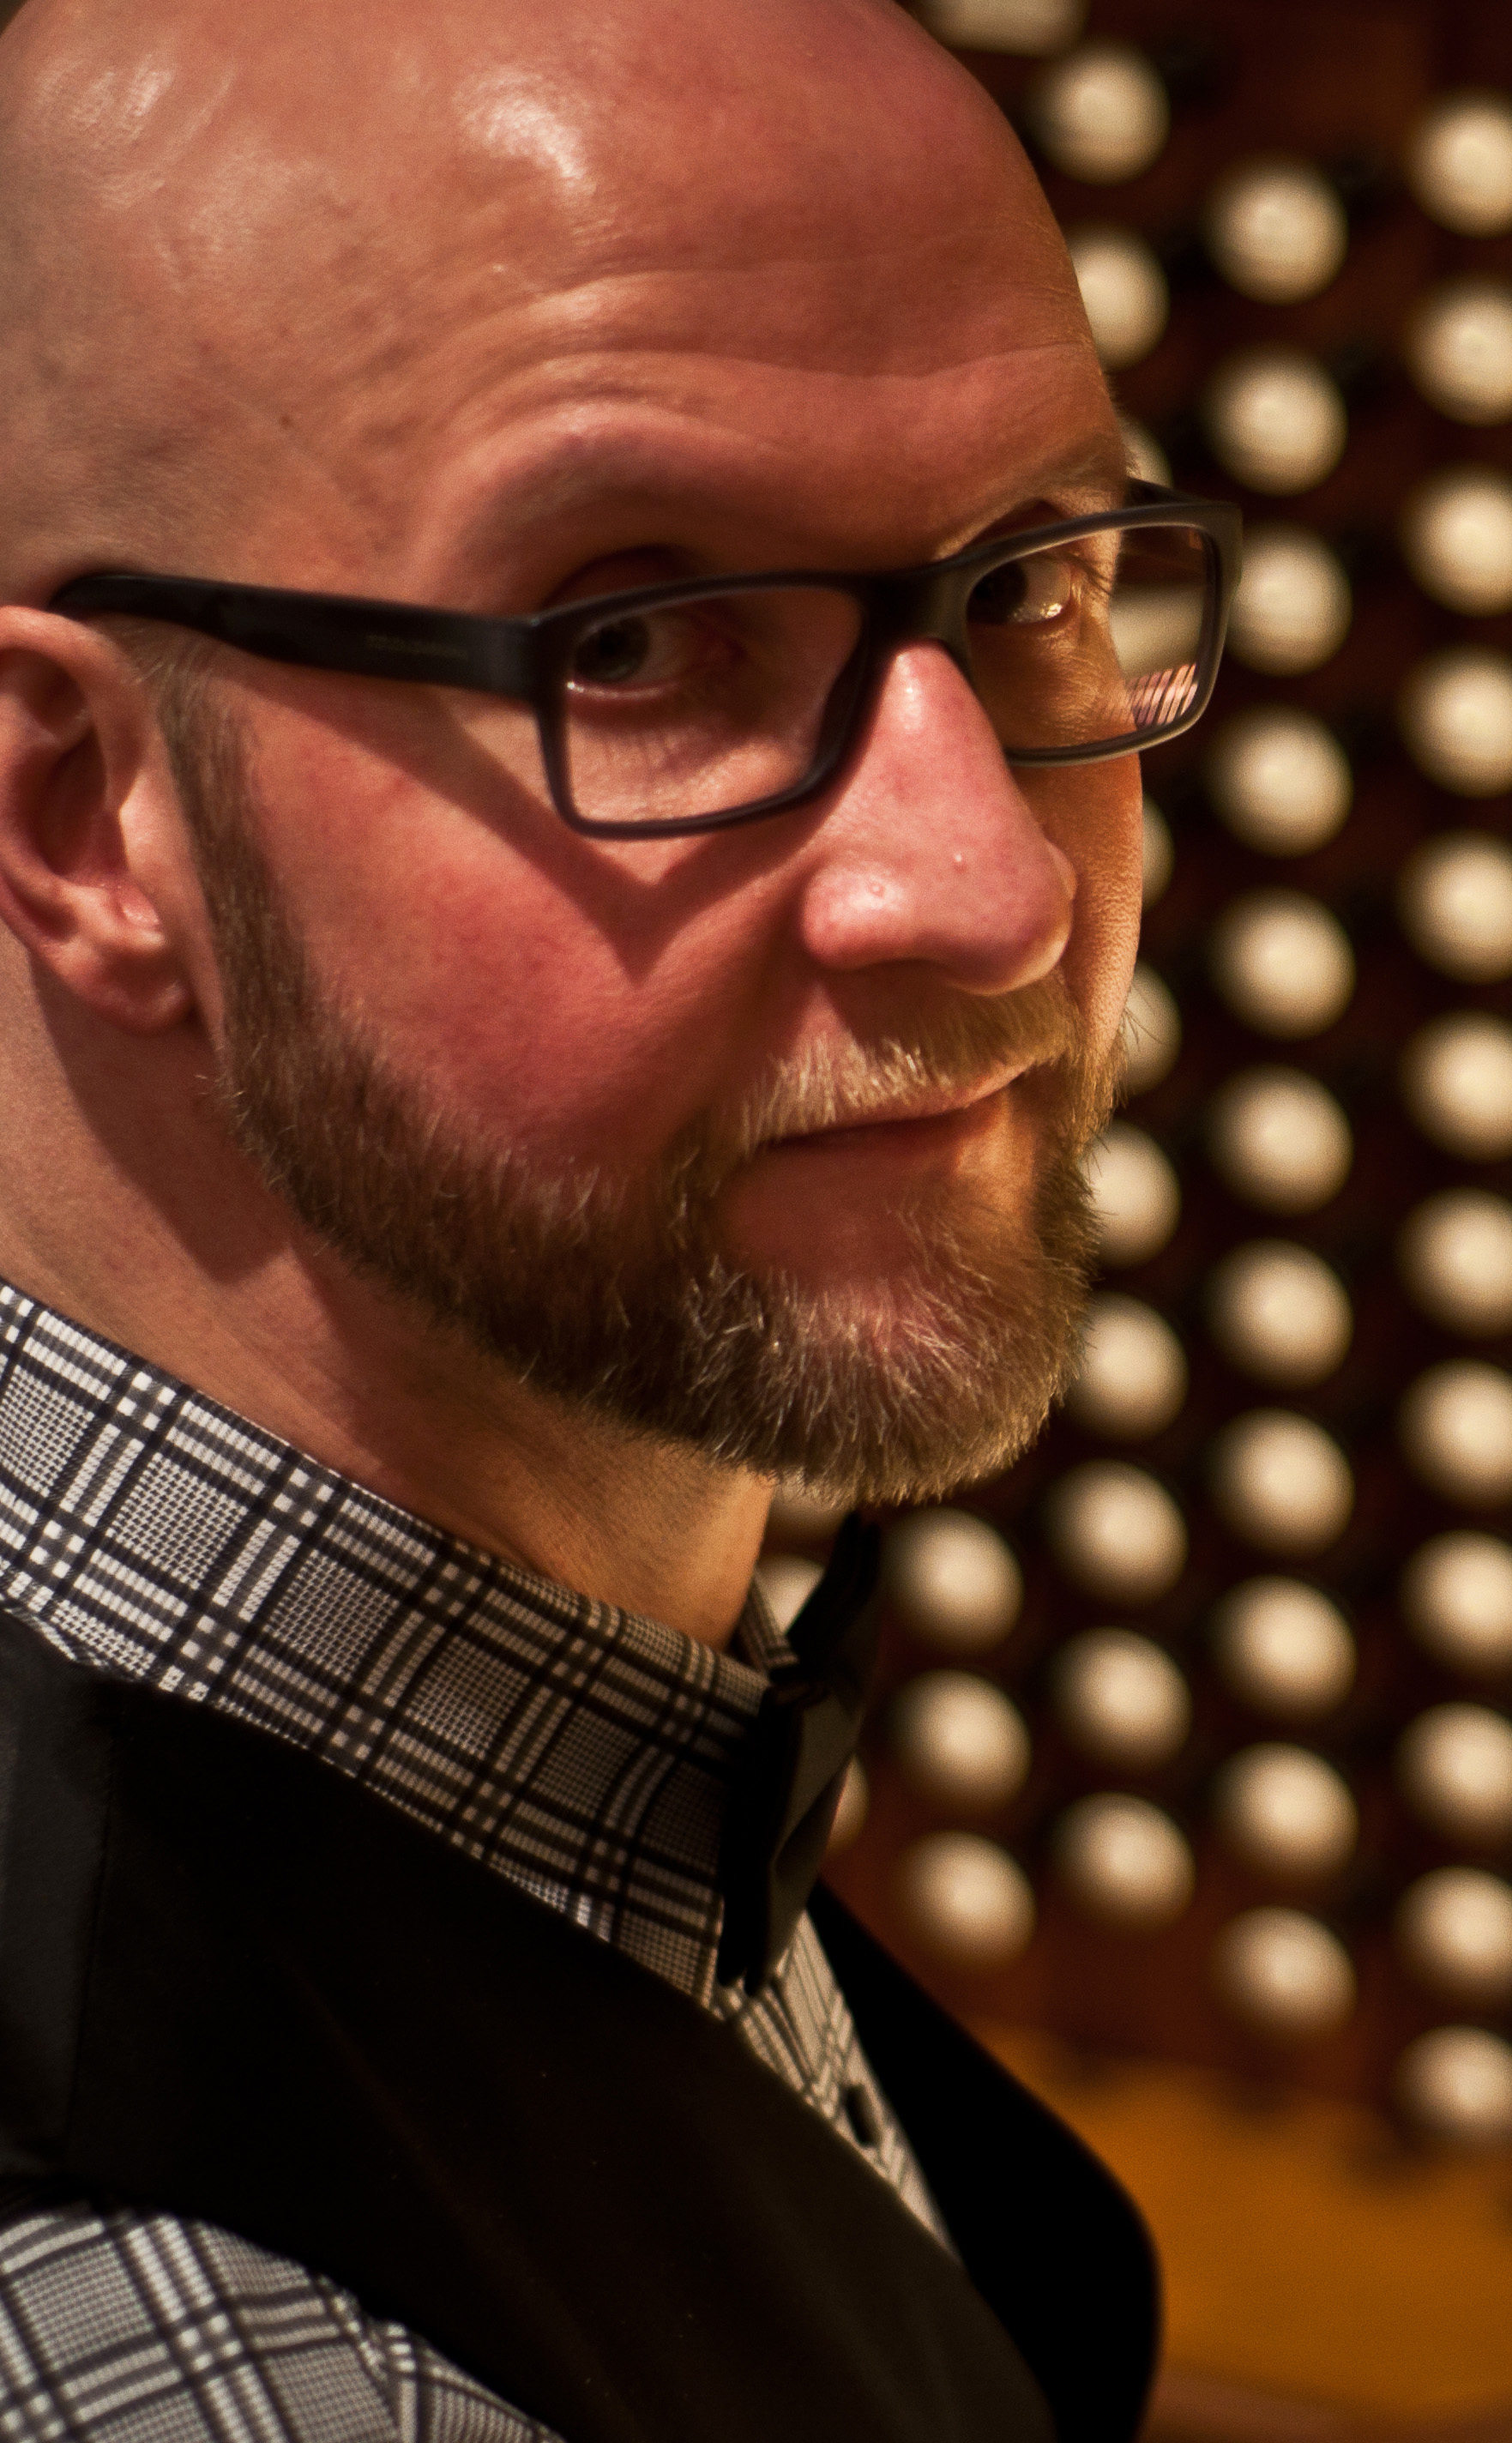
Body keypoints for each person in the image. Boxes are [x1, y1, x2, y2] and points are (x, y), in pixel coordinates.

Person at [0, 0, 1232, 2432]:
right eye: (640, 646)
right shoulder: (210, 2339)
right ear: (78, 815)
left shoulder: (533, 1720)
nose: (984, 888)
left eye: (1028, 592)